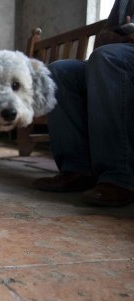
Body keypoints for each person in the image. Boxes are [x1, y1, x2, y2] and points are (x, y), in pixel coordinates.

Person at [33, 0, 134, 207]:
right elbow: (103, 37)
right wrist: (116, 36)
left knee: (107, 58)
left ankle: (119, 178)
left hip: (118, 59)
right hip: (118, 56)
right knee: (59, 71)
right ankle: (77, 170)